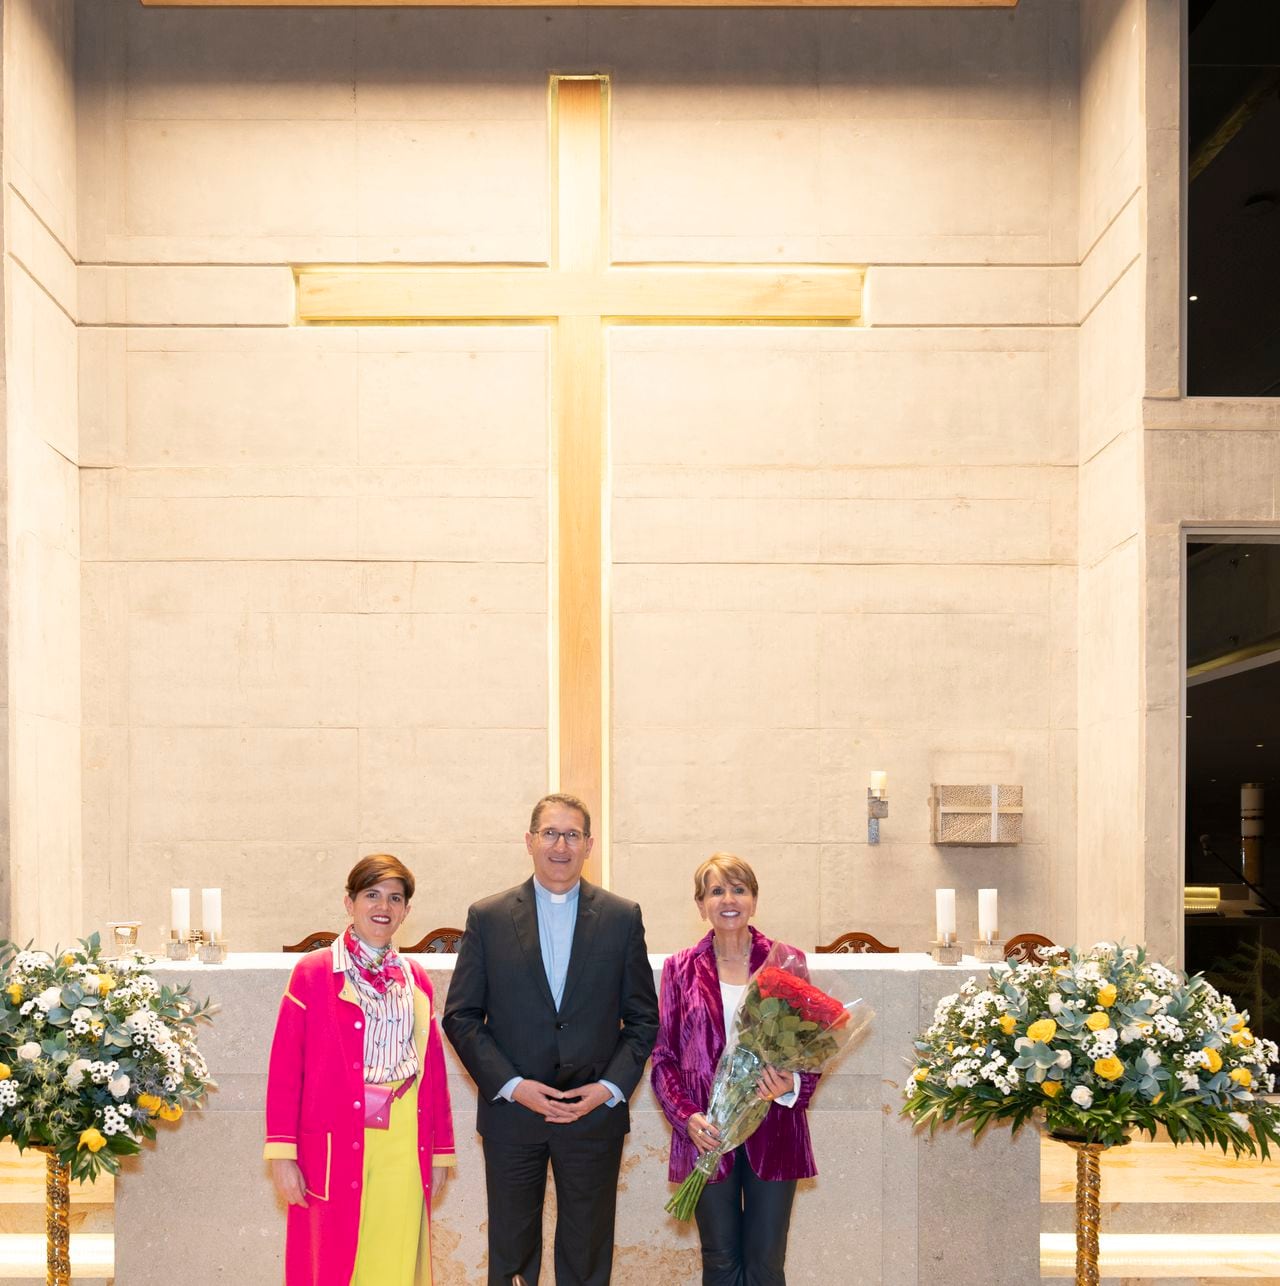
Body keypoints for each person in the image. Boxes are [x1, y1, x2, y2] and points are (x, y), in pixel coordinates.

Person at [442, 793, 659, 1286]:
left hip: (592, 1114)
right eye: (550, 833)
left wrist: (608, 1089)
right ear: (529, 841)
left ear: (589, 845)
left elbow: (644, 1018)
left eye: (572, 835)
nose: (560, 845)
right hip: (513, 1114)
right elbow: (461, 1016)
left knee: (587, 1253)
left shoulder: (622, 917)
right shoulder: (489, 916)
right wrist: (514, 1085)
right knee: (512, 1253)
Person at [264, 854, 455, 1286]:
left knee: (396, 1252)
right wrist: (282, 1155)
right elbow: (285, 1071)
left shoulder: (416, 979)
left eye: (394, 898)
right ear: (349, 902)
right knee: (335, 1258)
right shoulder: (312, 974)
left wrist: (441, 1151)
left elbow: (435, 1074)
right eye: (371, 894)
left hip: (405, 1136)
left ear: (406, 910)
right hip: (333, 1138)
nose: (382, 906)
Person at [651, 854, 819, 1286]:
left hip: (775, 1130)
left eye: (739, 889)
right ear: (700, 904)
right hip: (708, 1135)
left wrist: (791, 1084)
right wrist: (687, 1117)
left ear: (754, 900)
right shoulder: (679, 969)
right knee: (720, 1263)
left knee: (766, 1265)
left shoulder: (787, 962)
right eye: (717, 890)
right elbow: (664, 1057)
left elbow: (811, 1051)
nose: (729, 899)